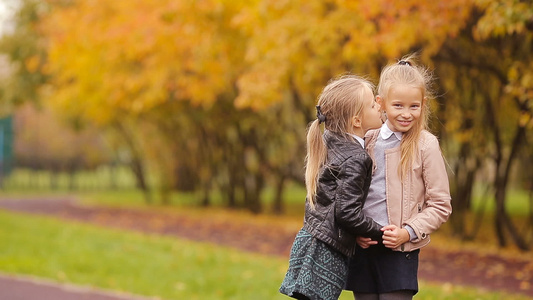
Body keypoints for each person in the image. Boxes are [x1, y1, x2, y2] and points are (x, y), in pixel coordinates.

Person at [345, 55, 452, 300]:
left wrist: (409, 231)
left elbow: (441, 205)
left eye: (414, 106)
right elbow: (351, 194)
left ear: (423, 104)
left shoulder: (426, 145)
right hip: (365, 247)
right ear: (380, 103)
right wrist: (356, 232)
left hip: (400, 251)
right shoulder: (366, 140)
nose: (406, 114)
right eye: (398, 106)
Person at [279, 74, 384, 300]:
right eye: (373, 104)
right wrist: (380, 231)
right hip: (325, 250)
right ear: (357, 121)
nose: (379, 106)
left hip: (311, 240)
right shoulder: (356, 158)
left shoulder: (329, 140)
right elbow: (347, 212)